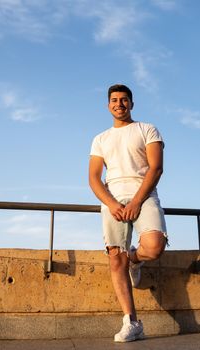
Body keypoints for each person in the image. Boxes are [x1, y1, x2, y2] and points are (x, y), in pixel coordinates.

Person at [89, 84, 168, 343]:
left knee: (154, 246)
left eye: (124, 100)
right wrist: (112, 204)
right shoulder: (100, 138)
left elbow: (156, 169)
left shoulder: (147, 129)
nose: (119, 104)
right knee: (115, 258)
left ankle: (136, 258)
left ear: (132, 104)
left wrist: (136, 201)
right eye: (114, 100)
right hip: (113, 199)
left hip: (143, 195)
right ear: (108, 105)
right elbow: (93, 178)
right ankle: (132, 322)